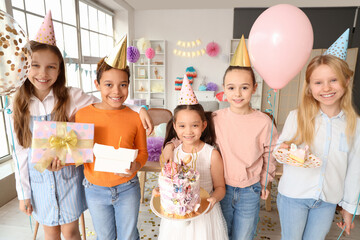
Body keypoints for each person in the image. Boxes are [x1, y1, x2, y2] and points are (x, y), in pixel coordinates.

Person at [11, 13, 152, 240]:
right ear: (25, 65)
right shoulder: (17, 105)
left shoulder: (72, 96)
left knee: (72, 230)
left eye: (51, 67)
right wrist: (23, 193)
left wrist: (139, 109)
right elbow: (20, 154)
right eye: (35, 65)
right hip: (40, 180)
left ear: (59, 69)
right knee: (50, 231)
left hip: (70, 177)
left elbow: (109, 104)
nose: (43, 73)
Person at [162, 36, 278, 240]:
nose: (238, 93)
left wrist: (265, 181)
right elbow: (190, 134)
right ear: (224, 90)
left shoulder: (264, 122)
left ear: (254, 88)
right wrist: (170, 146)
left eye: (245, 87)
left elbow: (270, 154)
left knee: (243, 235)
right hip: (220, 186)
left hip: (249, 190)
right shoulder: (215, 118)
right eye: (231, 88)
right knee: (220, 233)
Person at [276, 52, 360, 239]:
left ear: (346, 81)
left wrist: (349, 208)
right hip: (294, 196)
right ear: (309, 87)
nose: (326, 88)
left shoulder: (355, 124)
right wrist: (283, 151)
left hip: (328, 200)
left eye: (333, 80)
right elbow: (279, 149)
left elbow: (355, 169)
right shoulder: (297, 117)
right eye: (318, 82)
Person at [75, 37, 148, 240]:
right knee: (104, 237)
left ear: (129, 85)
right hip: (95, 188)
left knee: (129, 235)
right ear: (97, 84)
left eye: (123, 85)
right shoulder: (82, 115)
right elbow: (76, 152)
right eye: (109, 84)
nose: (116, 91)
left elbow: (143, 152)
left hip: (128, 187)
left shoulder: (135, 117)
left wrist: (136, 166)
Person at [154, 75, 227, 240]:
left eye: (194, 125)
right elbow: (168, 181)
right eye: (182, 126)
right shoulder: (173, 153)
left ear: (204, 125)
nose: (188, 131)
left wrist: (213, 199)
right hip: (176, 218)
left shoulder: (212, 154)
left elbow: (221, 188)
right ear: (174, 126)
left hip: (205, 215)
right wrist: (160, 191)